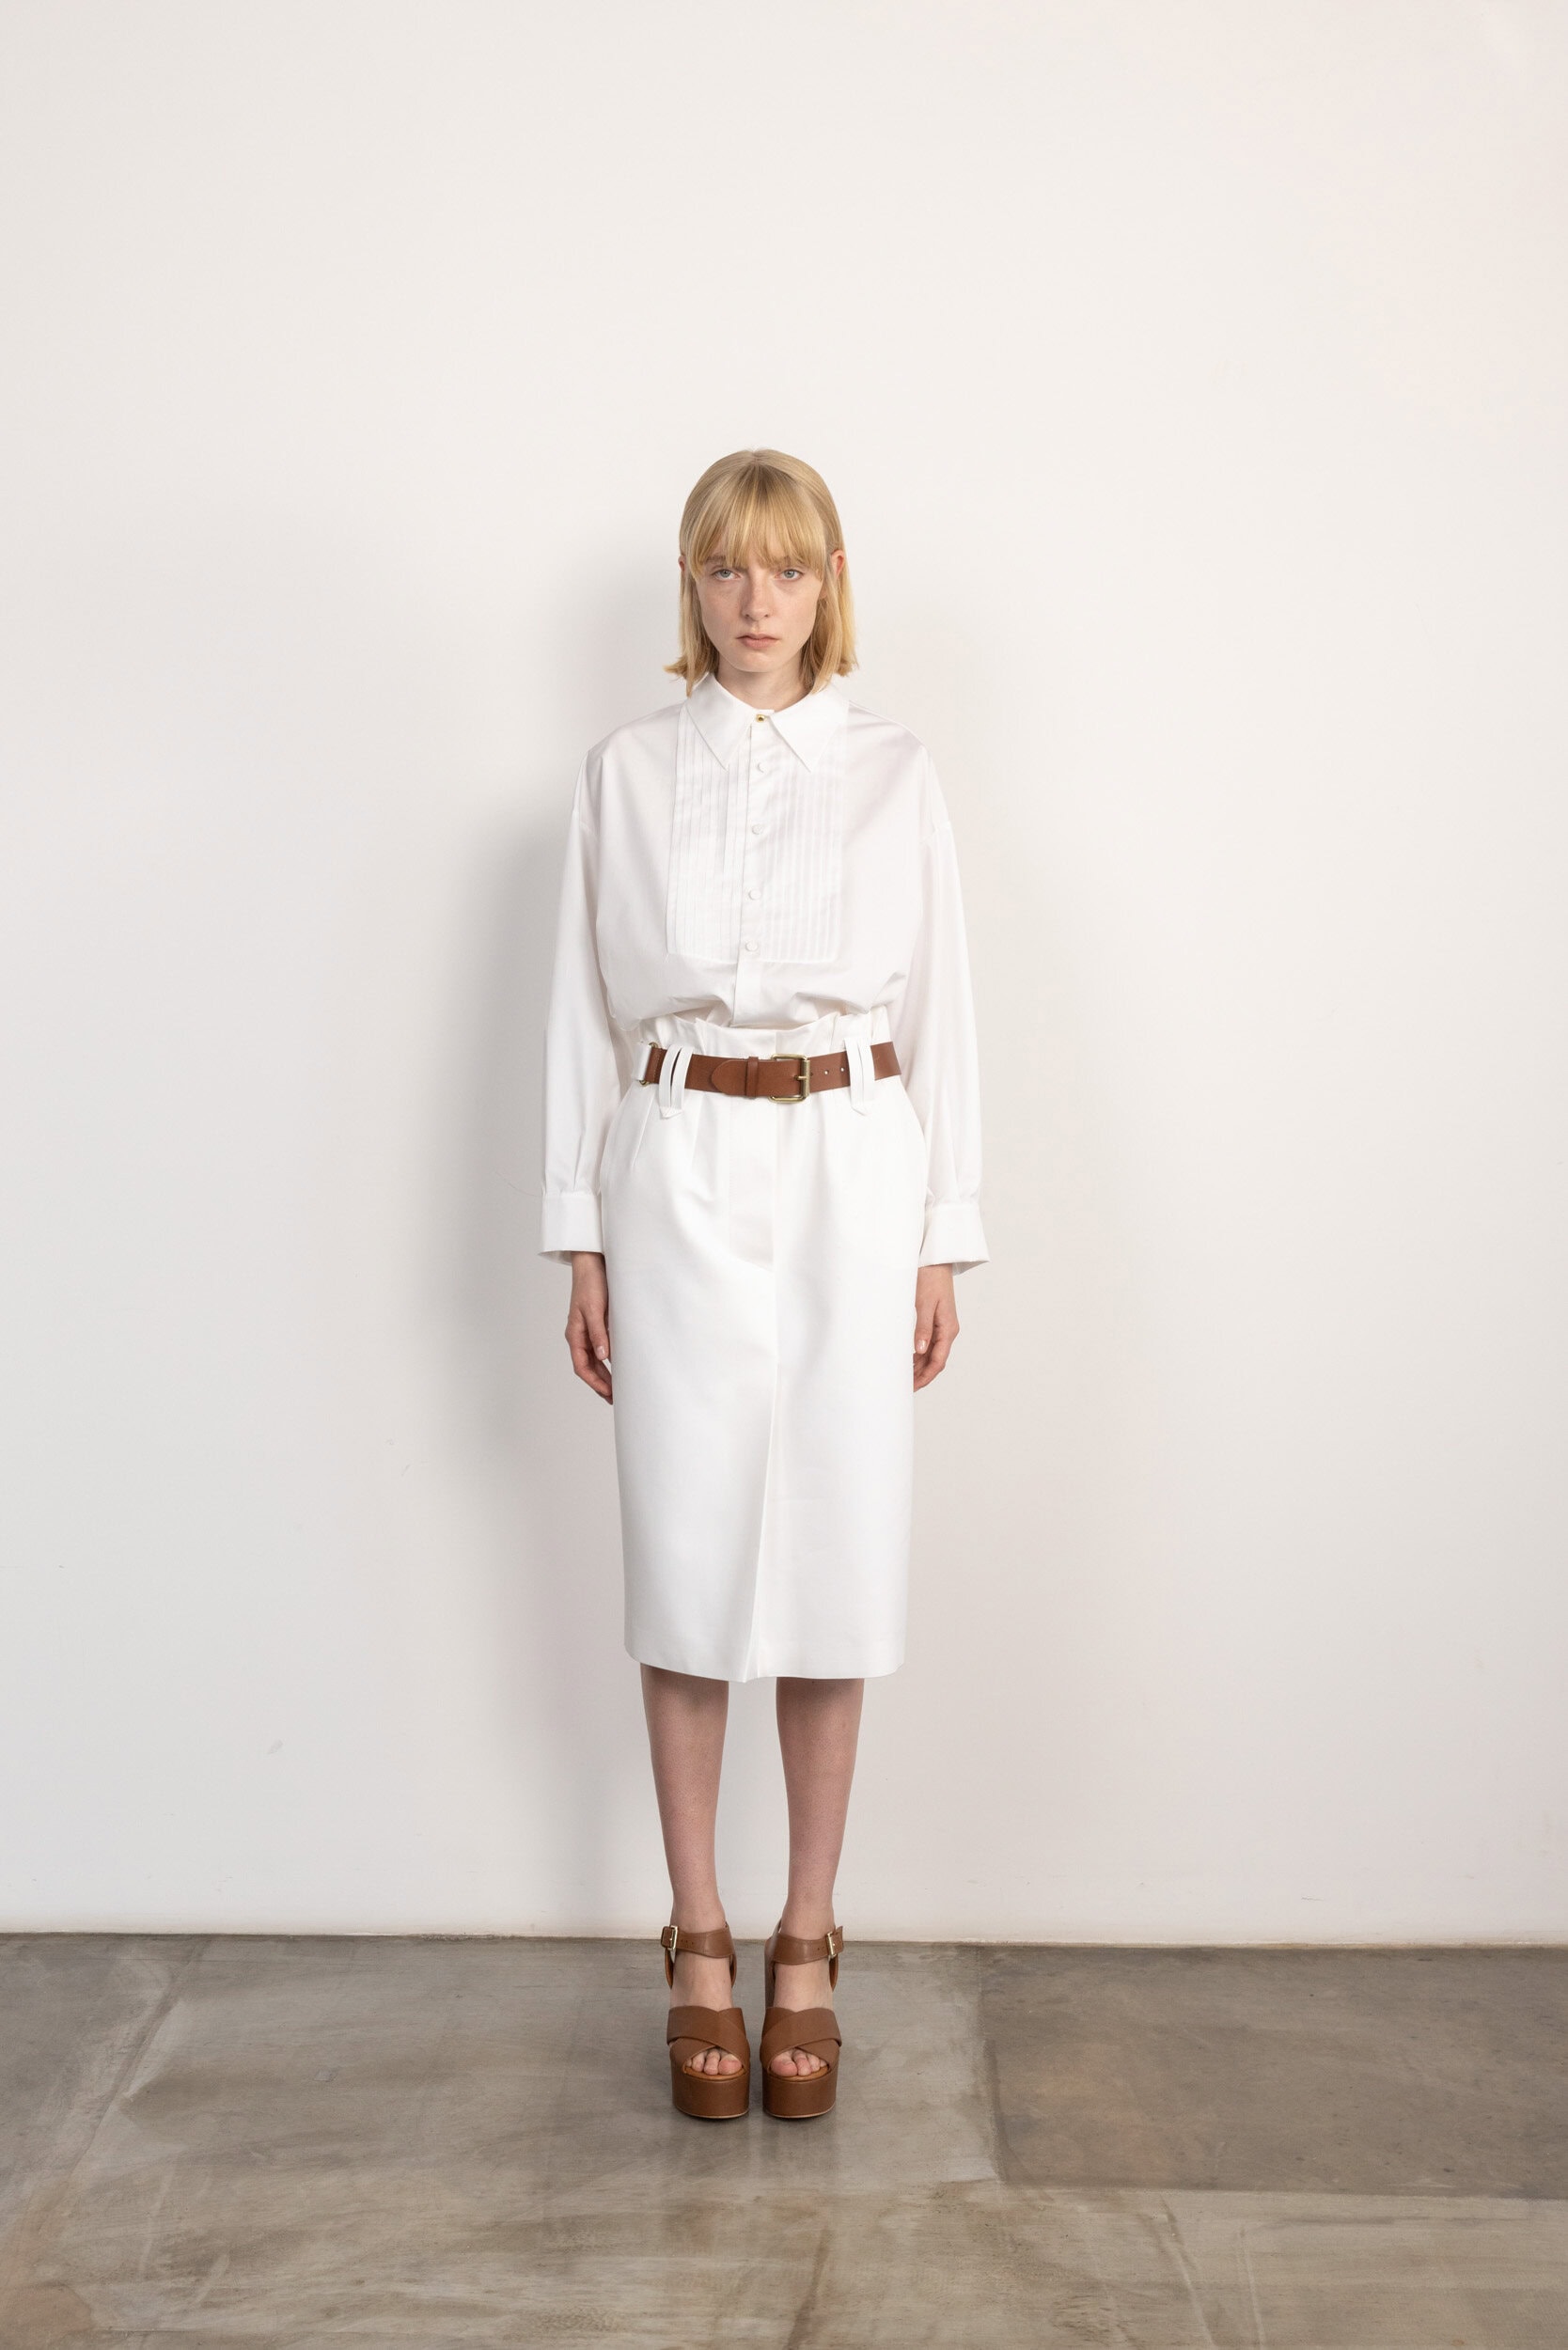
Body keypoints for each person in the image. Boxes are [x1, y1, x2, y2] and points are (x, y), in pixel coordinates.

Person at [539, 447, 988, 2120]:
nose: (754, 600)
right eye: (725, 567)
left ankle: (807, 1937)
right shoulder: (626, 771)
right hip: (676, 1163)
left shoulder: (893, 771)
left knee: (835, 1550)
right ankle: (698, 1940)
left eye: (786, 569)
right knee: (687, 1547)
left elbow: (944, 1006)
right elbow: (578, 1013)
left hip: (853, 1164)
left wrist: (943, 1233)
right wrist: (578, 1233)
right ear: (692, 583)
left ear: (828, 586)